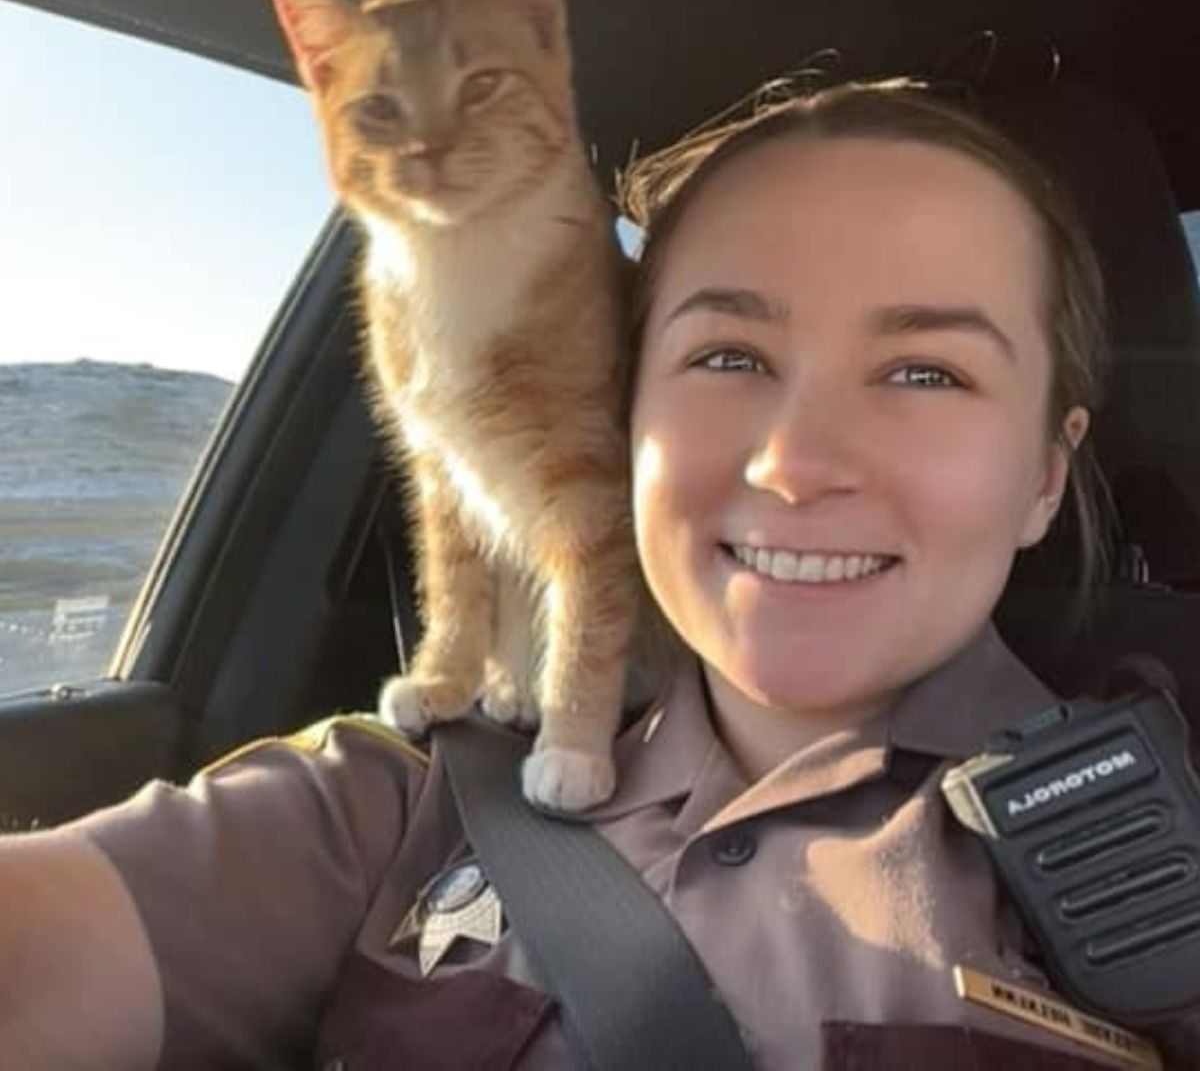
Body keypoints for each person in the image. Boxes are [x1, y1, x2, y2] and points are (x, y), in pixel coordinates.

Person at [2, 79, 1188, 1070]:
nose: (794, 463)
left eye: (927, 373)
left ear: (1044, 471)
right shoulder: (398, 807)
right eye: (729, 355)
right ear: (624, 416)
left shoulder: (1170, 852)